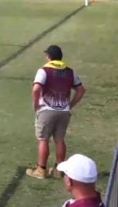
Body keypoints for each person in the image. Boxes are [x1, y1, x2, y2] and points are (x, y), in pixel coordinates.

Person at [26, 45, 87, 180]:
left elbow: (36, 89)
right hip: (64, 111)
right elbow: (81, 90)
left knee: (43, 139)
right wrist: (70, 104)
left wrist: (36, 104)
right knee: (60, 140)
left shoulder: (44, 71)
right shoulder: (70, 72)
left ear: (49, 57)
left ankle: (41, 169)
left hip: (46, 111)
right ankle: (59, 170)